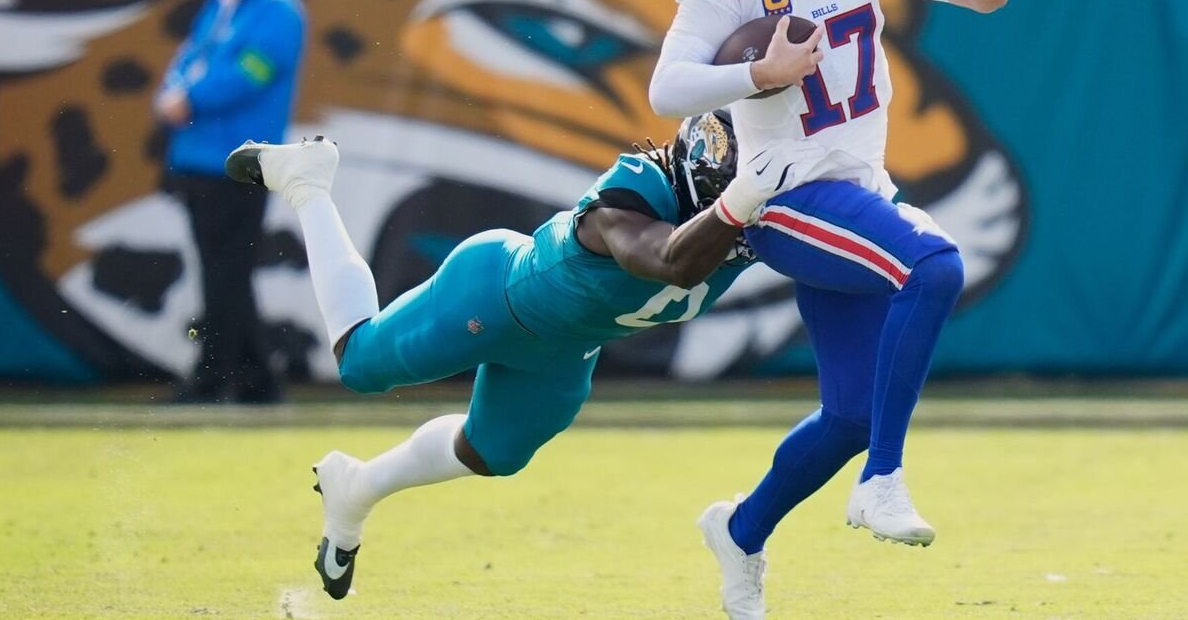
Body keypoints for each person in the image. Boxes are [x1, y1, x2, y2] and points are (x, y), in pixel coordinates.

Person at [222, 117, 826, 600]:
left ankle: (357, 488)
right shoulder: (636, 189)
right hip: (493, 295)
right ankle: (307, 183)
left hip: (566, 350)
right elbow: (669, 260)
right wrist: (741, 200)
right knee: (358, 362)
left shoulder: (746, 222)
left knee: (492, 453)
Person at [646, 0, 1009, 616]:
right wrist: (760, 73)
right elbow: (667, 89)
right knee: (934, 264)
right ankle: (883, 478)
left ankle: (740, 530)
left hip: (857, 185)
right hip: (781, 191)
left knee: (849, 414)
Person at [155, 0, 307, 404]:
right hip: (199, 157)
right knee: (224, 270)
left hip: (238, 160)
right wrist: (171, 93)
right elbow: (186, 59)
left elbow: (251, 74)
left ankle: (213, 375)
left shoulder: (278, 10)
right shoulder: (222, 5)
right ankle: (255, 378)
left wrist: (189, 99)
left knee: (226, 271)